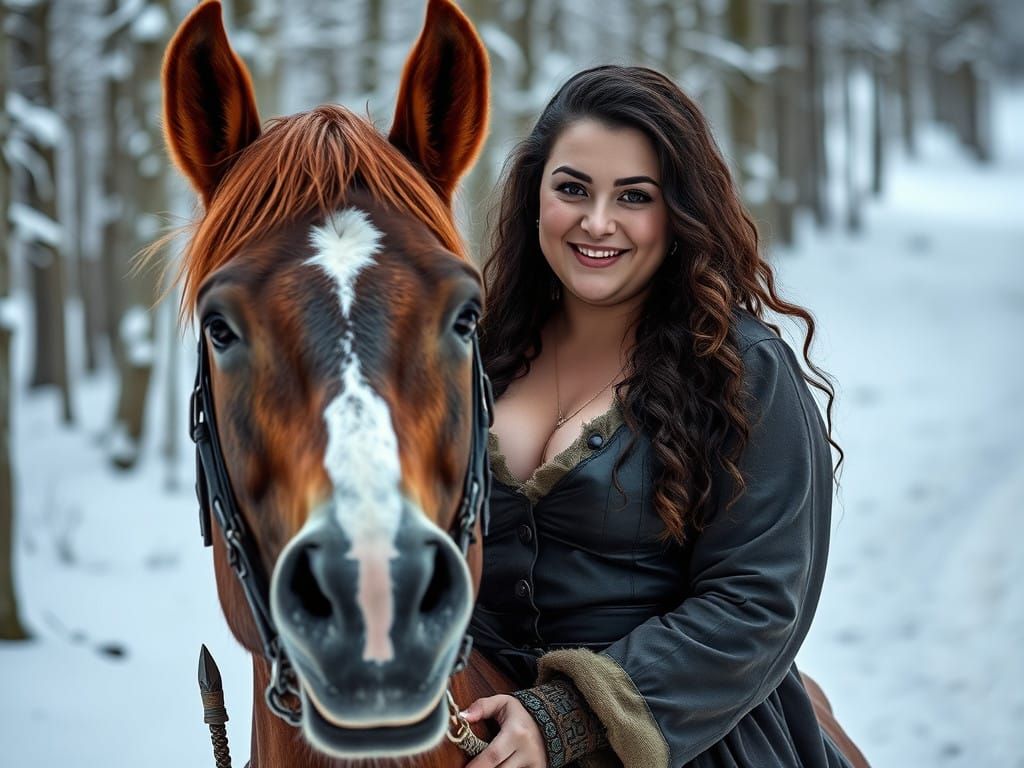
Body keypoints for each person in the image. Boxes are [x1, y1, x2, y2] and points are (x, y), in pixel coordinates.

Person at [459, 65, 858, 768]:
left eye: (633, 196)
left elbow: (758, 603)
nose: (597, 222)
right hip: (477, 730)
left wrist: (564, 715)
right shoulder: (476, 358)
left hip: (689, 741)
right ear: (533, 195)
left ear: (677, 210)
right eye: (572, 188)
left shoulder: (742, 370)